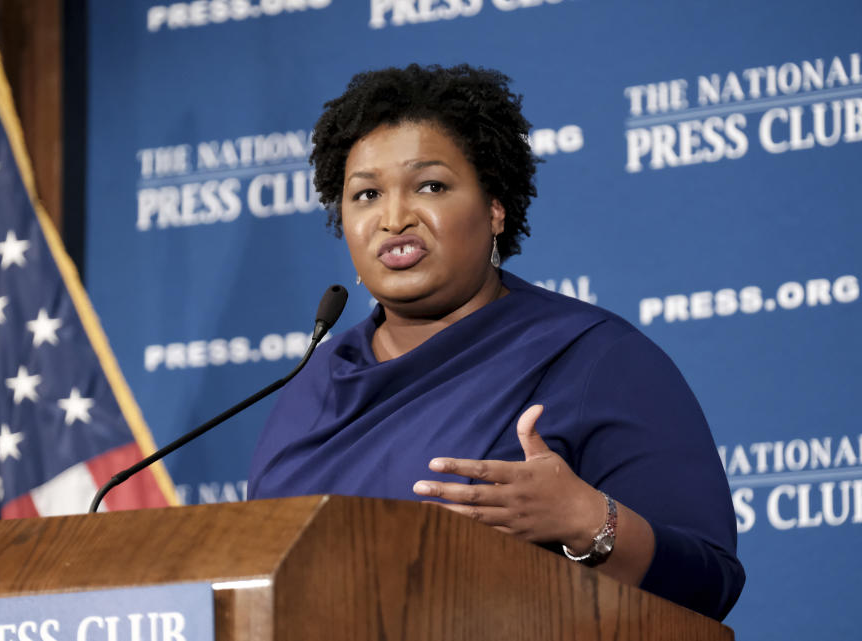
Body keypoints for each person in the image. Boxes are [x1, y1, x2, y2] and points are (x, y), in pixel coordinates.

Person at [247, 63, 744, 620]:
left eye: (430, 185)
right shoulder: (307, 391)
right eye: (365, 194)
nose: (393, 218)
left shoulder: (592, 358)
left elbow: (710, 585)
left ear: (494, 210)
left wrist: (588, 521)